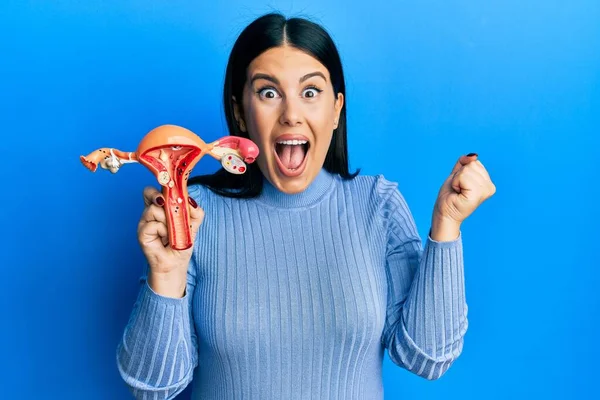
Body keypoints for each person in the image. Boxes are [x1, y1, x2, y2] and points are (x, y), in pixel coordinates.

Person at [116, 12, 496, 400]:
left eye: (310, 92)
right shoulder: (194, 216)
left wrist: (447, 224)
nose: (291, 114)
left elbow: (428, 357)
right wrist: (166, 272)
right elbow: (154, 388)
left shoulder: (376, 206)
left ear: (335, 110)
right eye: (268, 93)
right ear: (239, 114)